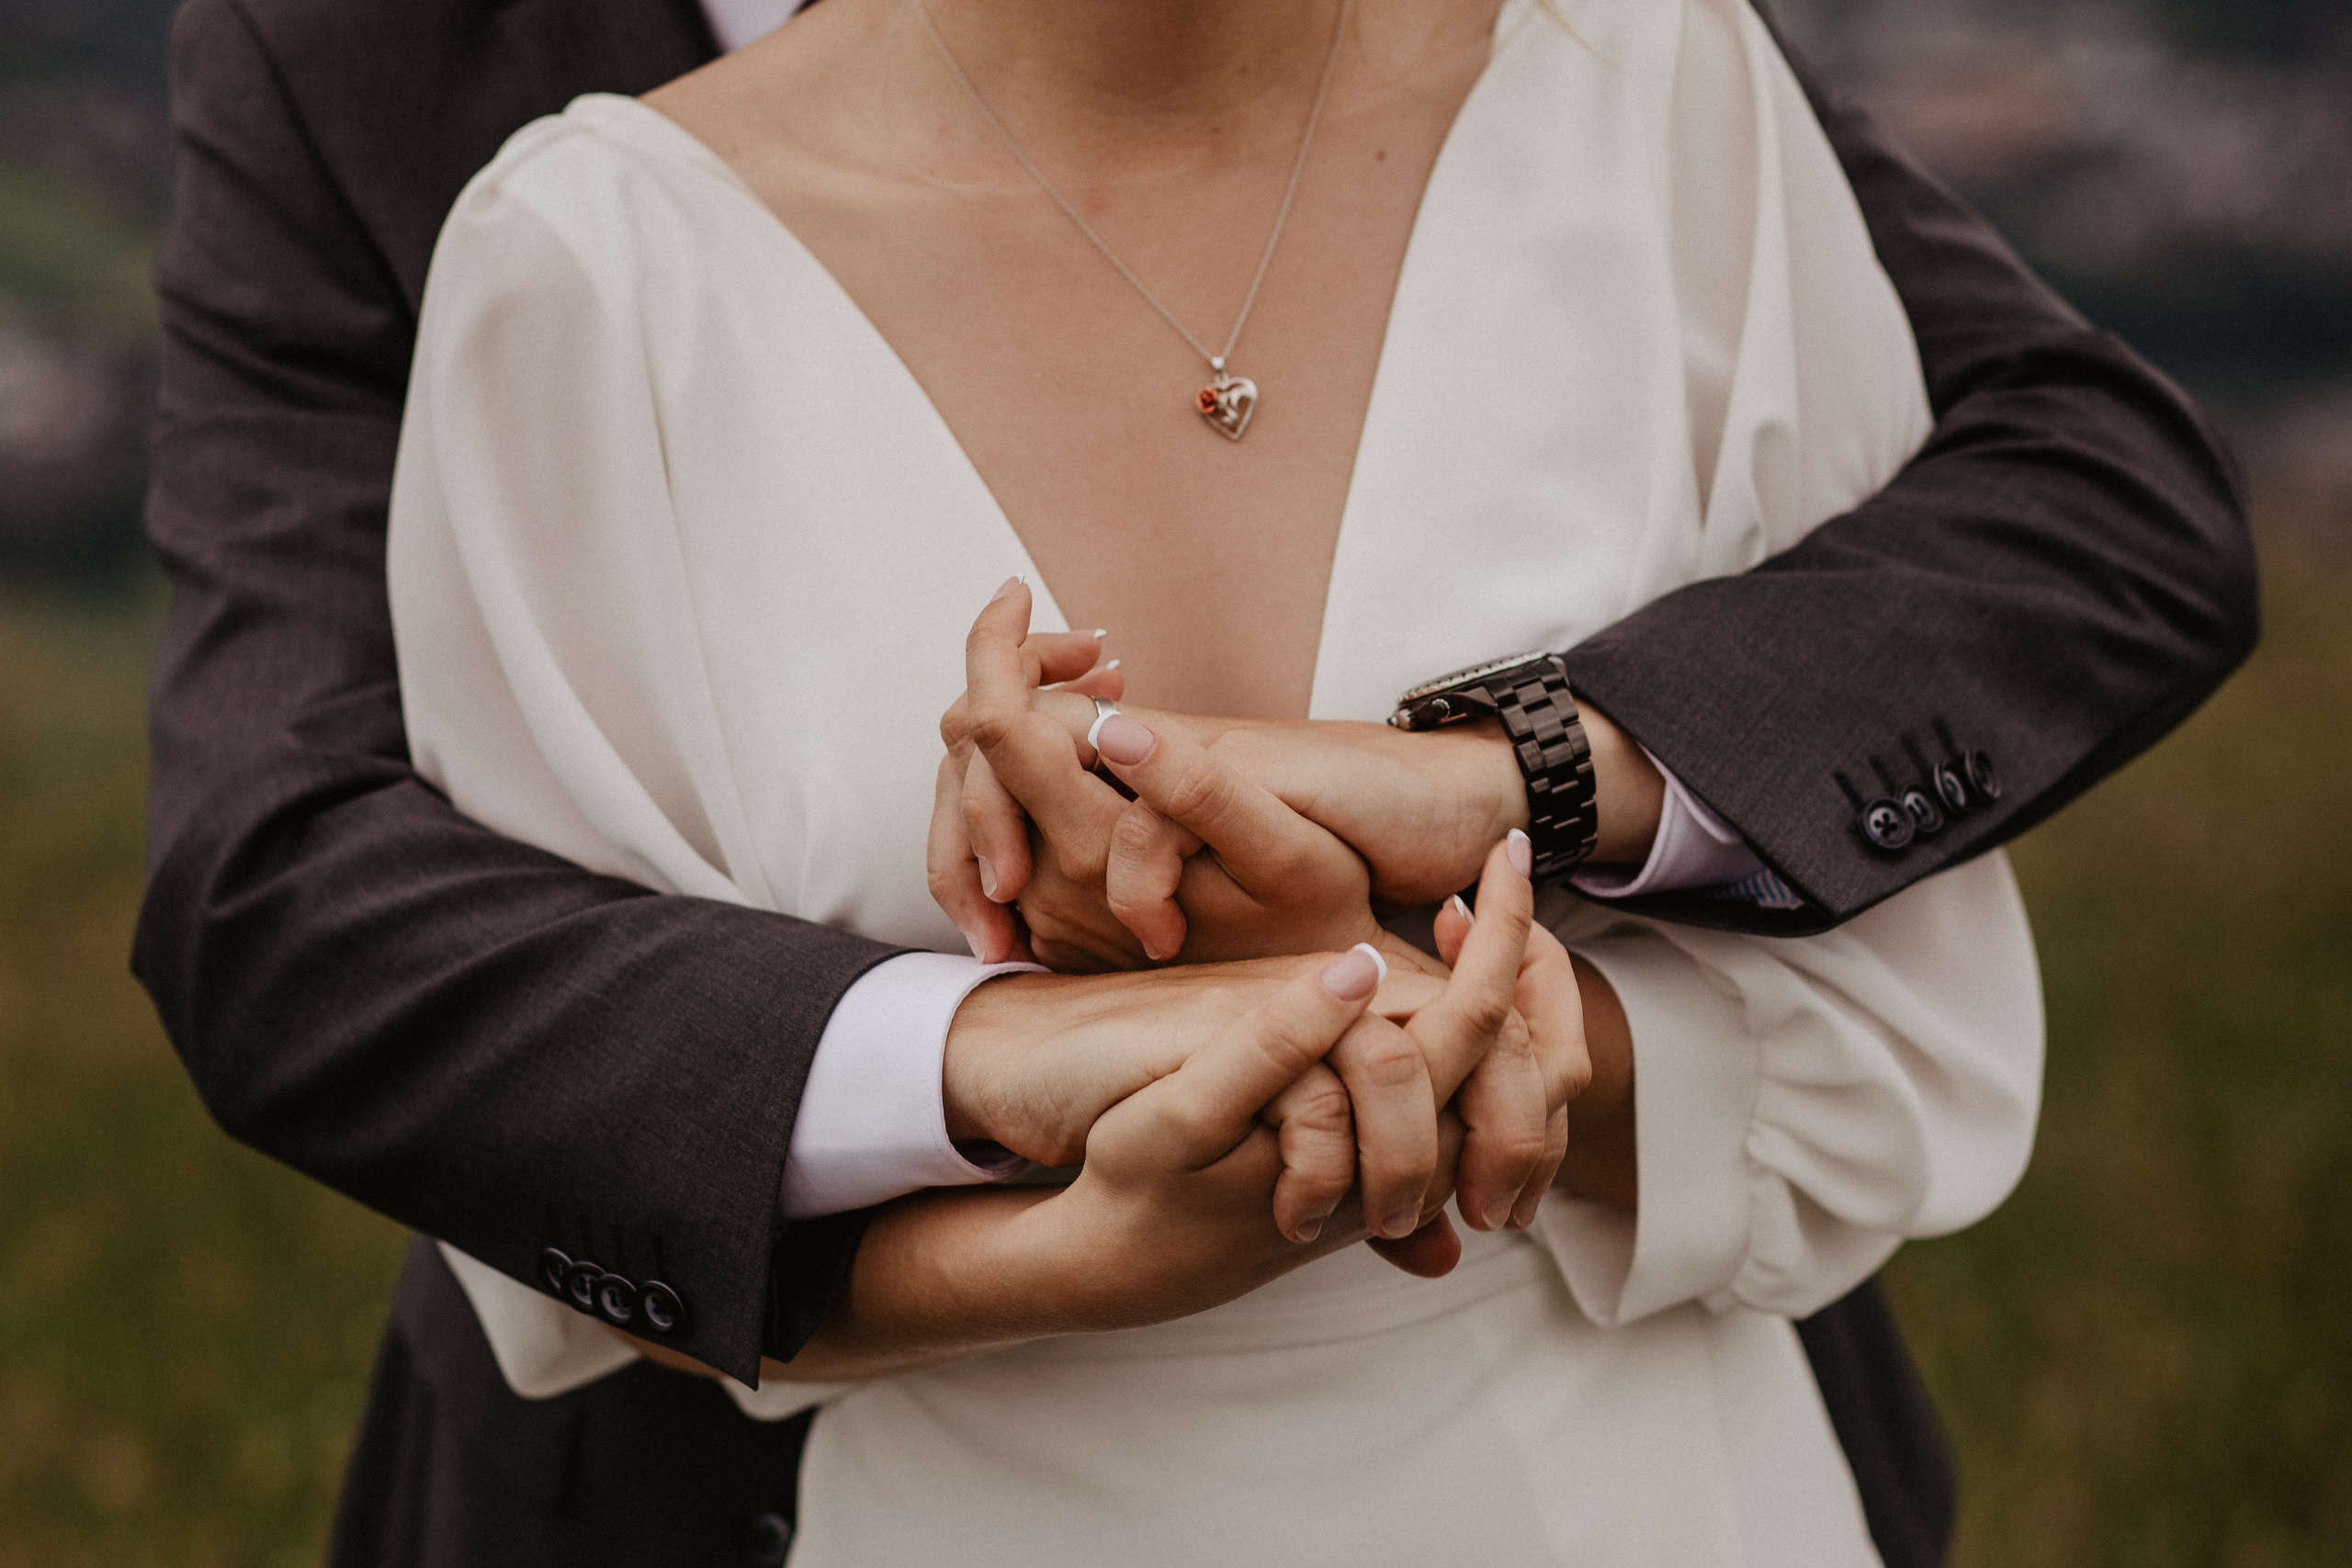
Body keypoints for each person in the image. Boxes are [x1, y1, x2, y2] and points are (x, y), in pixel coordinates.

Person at [136, 0, 2255, 1562]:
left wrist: (1495, 815)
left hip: (1659, 1454)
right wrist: (1006, 1073)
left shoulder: (1647, 83)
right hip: (774, 1492)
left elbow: (2080, 515)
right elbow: (295, 887)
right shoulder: (563, 234)